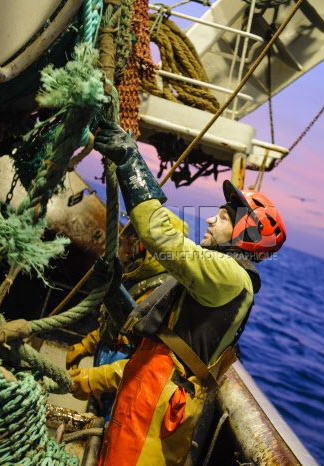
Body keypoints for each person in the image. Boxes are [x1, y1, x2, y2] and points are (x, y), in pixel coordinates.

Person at [70, 120, 286, 465]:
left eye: (223, 219)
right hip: (148, 384)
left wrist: (130, 162)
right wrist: (114, 292)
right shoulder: (219, 272)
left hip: (157, 397)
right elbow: (165, 331)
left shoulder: (230, 276)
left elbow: (162, 238)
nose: (211, 222)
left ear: (246, 232)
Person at [66, 215, 188, 416]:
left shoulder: (165, 298)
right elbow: (118, 329)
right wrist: (87, 344)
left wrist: (95, 379)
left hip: (122, 400)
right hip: (106, 390)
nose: (128, 246)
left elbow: (147, 364)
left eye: (135, 240)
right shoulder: (138, 283)